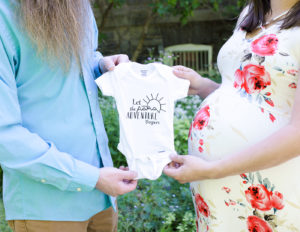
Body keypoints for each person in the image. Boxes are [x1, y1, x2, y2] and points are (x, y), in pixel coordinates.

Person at [0, 0, 137, 232]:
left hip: (103, 200)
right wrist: (90, 177)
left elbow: (78, 62)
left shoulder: (77, 5)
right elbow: (5, 137)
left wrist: (101, 65)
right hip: (47, 210)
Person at [164, 0, 300, 231]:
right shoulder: (253, 10)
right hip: (216, 183)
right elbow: (252, 94)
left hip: (271, 180)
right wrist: (203, 86)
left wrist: (213, 169)